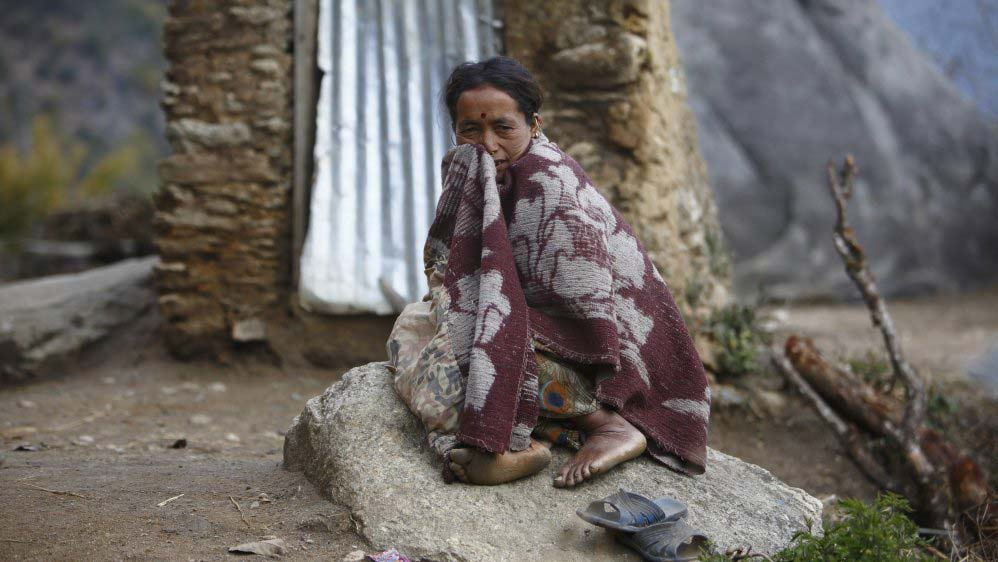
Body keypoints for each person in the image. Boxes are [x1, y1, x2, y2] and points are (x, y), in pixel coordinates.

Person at [386, 56, 709, 488]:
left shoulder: (549, 181)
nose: (488, 144)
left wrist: (482, 323)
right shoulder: (476, 174)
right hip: (541, 334)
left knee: (472, 348)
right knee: (411, 329)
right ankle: (538, 441)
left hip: (614, 361)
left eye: (503, 128)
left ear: (533, 124)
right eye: (471, 130)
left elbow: (586, 312)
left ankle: (607, 425)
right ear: (455, 130)